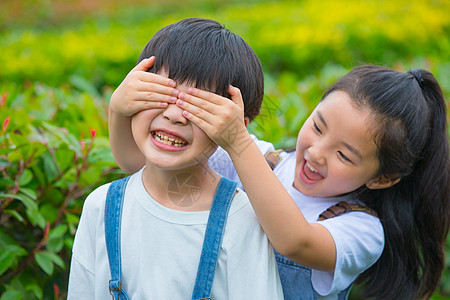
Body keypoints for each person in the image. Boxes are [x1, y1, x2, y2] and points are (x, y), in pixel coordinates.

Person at [111, 64, 450, 299]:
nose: (317, 152)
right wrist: (119, 110)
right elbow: (139, 165)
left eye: (344, 155)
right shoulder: (263, 161)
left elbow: (293, 241)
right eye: (317, 126)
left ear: (382, 179)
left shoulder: (361, 230)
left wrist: (238, 142)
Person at [67, 18, 284, 299]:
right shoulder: (102, 207)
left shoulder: (241, 220)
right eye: (162, 93)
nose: (173, 114)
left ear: (232, 126)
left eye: (198, 105)